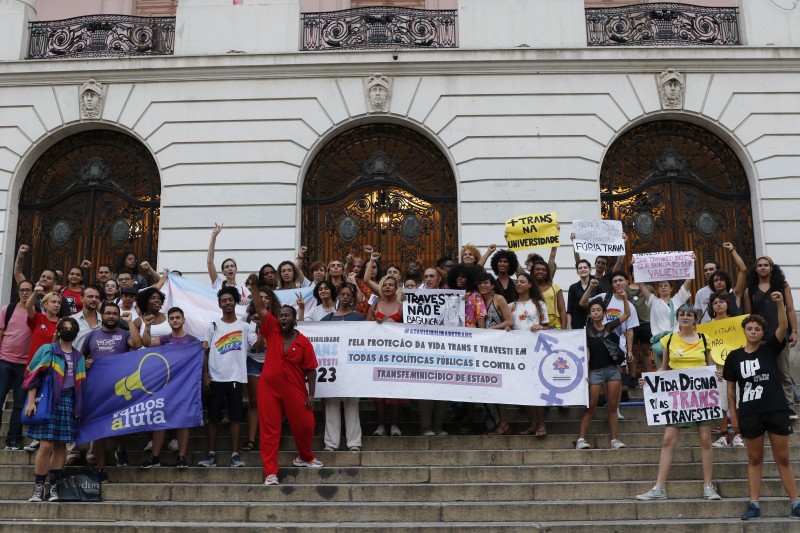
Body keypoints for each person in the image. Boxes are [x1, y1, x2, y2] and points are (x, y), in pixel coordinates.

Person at [723, 298, 800, 520]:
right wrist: (733, 418)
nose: (754, 331)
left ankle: (796, 502)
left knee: (783, 458)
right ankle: (754, 505)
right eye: (750, 328)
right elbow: (730, 392)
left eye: (758, 329)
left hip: (776, 409)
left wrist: (778, 305)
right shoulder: (734, 357)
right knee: (754, 459)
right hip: (750, 413)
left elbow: (783, 327)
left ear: (762, 332)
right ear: (744, 330)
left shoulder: (770, 349)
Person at [636, 304, 721, 501]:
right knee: (668, 440)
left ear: (695, 319)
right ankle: (659, 488)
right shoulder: (669, 339)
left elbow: (710, 366)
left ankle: (708, 486)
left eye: (689, 314)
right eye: (682, 314)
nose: (685, 317)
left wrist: (716, 374)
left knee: (706, 440)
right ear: (677, 318)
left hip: (700, 397)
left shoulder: (704, 339)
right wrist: (650, 379)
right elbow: (664, 367)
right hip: (678, 398)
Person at [250, 282, 321, 486]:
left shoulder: (303, 342)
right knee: (270, 430)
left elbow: (311, 370)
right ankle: (270, 473)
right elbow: (260, 308)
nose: (282, 318)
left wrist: (311, 395)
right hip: (268, 387)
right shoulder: (271, 330)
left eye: (286, 315)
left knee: (306, 424)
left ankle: (305, 457)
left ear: (293, 319)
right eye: (280, 315)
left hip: (295, 388)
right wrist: (255, 288)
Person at [23, 317, 85, 503]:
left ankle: (54, 487)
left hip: (68, 400)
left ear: (75, 333)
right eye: (65, 327)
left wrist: (78, 407)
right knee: (46, 445)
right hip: (48, 400)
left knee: (60, 446)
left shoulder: (78, 356)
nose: (68, 330)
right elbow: (32, 376)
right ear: (58, 331)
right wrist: (31, 402)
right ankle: (38, 488)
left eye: (72, 328)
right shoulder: (47, 350)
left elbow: (80, 385)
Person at [198, 287, 258, 468]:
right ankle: (210, 455)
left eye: (230, 300)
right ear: (219, 304)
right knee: (213, 418)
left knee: (235, 418)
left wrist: (261, 326)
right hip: (215, 379)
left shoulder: (245, 326)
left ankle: (235, 455)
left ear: (235, 302)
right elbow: (204, 353)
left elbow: (259, 346)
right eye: (224, 300)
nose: (227, 303)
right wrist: (205, 376)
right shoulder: (212, 326)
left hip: (236, 379)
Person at [81, 302, 142, 479]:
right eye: (108, 313)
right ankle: (101, 468)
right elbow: (80, 357)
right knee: (100, 430)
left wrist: (130, 322)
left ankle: (121, 449)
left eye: (115, 314)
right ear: (102, 315)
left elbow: (137, 344)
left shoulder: (124, 334)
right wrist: (83, 363)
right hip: (97, 391)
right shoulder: (91, 335)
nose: (111, 316)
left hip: (120, 389)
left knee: (123, 425)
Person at [140, 307, 200, 469]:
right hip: (165, 386)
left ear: (183, 319)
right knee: (160, 420)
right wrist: (147, 327)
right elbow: (146, 343)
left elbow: (202, 359)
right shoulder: (165, 339)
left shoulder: (193, 341)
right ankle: (155, 458)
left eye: (177, 317)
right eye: (172, 318)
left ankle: (181, 457)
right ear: (169, 321)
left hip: (185, 387)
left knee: (183, 421)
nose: (175, 320)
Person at [743, 257, 798, 418]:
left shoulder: (782, 286)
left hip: (780, 336)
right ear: (756, 269)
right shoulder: (750, 290)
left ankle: (789, 408)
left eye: (766, 265)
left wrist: (794, 331)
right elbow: (749, 316)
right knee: (760, 374)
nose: (763, 268)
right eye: (759, 265)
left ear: (772, 268)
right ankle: (763, 406)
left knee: (783, 373)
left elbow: (790, 309)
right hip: (759, 338)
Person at [576, 294, 632, 450]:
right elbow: (586, 353)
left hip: (613, 370)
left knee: (613, 407)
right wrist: (585, 374)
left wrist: (625, 298)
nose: (596, 313)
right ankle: (581, 439)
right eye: (593, 310)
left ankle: (614, 440)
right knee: (591, 406)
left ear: (604, 312)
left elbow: (627, 314)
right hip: (595, 371)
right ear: (589, 314)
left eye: (598, 310)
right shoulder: (586, 332)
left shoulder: (609, 327)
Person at [319, 283, 365, 451]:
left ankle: (354, 443)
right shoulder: (328, 319)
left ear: (353, 299)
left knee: (352, 403)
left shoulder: (359, 318)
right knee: (331, 403)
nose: (345, 297)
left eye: (348, 295)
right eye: (342, 294)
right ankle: (330, 443)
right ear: (338, 297)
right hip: (332, 367)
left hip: (352, 367)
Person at [507, 272, 549, 437]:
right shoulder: (510, 306)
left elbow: (548, 327)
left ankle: (541, 425)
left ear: (530, 284)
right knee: (523, 390)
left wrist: (540, 328)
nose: (518, 284)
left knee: (535, 388)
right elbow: (510, 325)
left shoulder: (539, 304)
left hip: (535, 352)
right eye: (516, 282)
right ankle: (532, 424)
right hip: (517, 353)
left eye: (522, 281)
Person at [240, 286, 278, 455]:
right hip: (253, 362)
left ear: (271, 301)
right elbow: (259, 346)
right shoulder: (246, 319)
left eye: (266, 297)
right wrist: (262, 327)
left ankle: (270, 439)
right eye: (259, 296)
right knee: (254, 402)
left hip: (273, 363)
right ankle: (251, 439)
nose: (262, 299)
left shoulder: (278, 317)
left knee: (272, 402)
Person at [367, 275, 405, 436]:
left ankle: (395, 425)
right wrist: (376, 324)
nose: (388, 287)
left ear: (396, 288)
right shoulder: (375, 305)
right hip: (378, 354)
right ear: (381, 288)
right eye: (385, 285)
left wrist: (396, 325)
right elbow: (365, 327)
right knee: (378, 393)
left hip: (397, 355)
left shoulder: (403, 307)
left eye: (391, 285)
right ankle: (381, 425)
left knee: (395, 391)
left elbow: (409, 329)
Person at [707, 292, 745, 449]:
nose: (718, 304)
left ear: (728, 304)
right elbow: (708, 350)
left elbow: (743, 344)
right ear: (712, 306)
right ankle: (724, 435)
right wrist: (712, 370)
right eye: (715, 302)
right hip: (718, 369)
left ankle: (738, 434)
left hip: (737, 368)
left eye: (721, 301)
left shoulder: (737, 323)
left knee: (737, 401)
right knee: (721, 403)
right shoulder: (708, 325)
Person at [477, 272, 514, 436]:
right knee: (488, 386)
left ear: (492, 285)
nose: (482, 286)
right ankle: (493, 422)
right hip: (485, 349)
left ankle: (503, 423)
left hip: (500, 348)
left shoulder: (498, 299)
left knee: (499, 386)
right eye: (480, 283)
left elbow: (509, 321)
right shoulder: (478, 302)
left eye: (486, 283)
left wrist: (488, 331)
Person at [0, 280, 34, 451]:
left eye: (28, 290)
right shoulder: (8, 309)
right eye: (22, 290)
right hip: (4, 361)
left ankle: (14, 438)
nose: (25, 293)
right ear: (18, 292)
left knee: (19, 403)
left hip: (24, 365)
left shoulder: (35, 313)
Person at [698, 242, 746, 323]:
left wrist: (732, 250)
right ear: (712, 284)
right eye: (716, 280)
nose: (719, 282)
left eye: (722, 280)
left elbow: (743, 270)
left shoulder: (735, 295)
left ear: (726, 281)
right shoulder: (712, 300)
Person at [206, 223, 250, 304]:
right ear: (223, 271)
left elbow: (254, 304)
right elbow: (210, 261)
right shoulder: (218, 284)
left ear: (236, 269)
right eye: (226, 267)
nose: (230, 268)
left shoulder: (244, 289)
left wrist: (248, 300)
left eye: (232, 266)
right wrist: (214, 237)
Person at [448, 265, 486, 329]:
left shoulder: (475, 295)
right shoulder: (451, 294)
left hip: (470, 332)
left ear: (469, 279)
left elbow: (480, 315)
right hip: (453, 330)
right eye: (457, 277)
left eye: (463, 277)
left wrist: (483, 333)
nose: (459, 278)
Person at [532, 260, 566, 330]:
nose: (540, 271)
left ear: (547, 273)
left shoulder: (555, 288)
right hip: (533, 328)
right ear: (532, 272)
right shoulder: (528, 289)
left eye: (544, 270)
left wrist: (563, 330)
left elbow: (562, 310)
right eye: (537, 269)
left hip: (554, 327)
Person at [566, 260, 593, 330]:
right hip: (577, 324)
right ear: (577, 272)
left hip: (594, 324)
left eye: (585, 267)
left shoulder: (597, 286)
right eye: (580, 268)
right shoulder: (573, 287)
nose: (583, 269)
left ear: (590, 270)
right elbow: (570, 310)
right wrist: (569, 326)